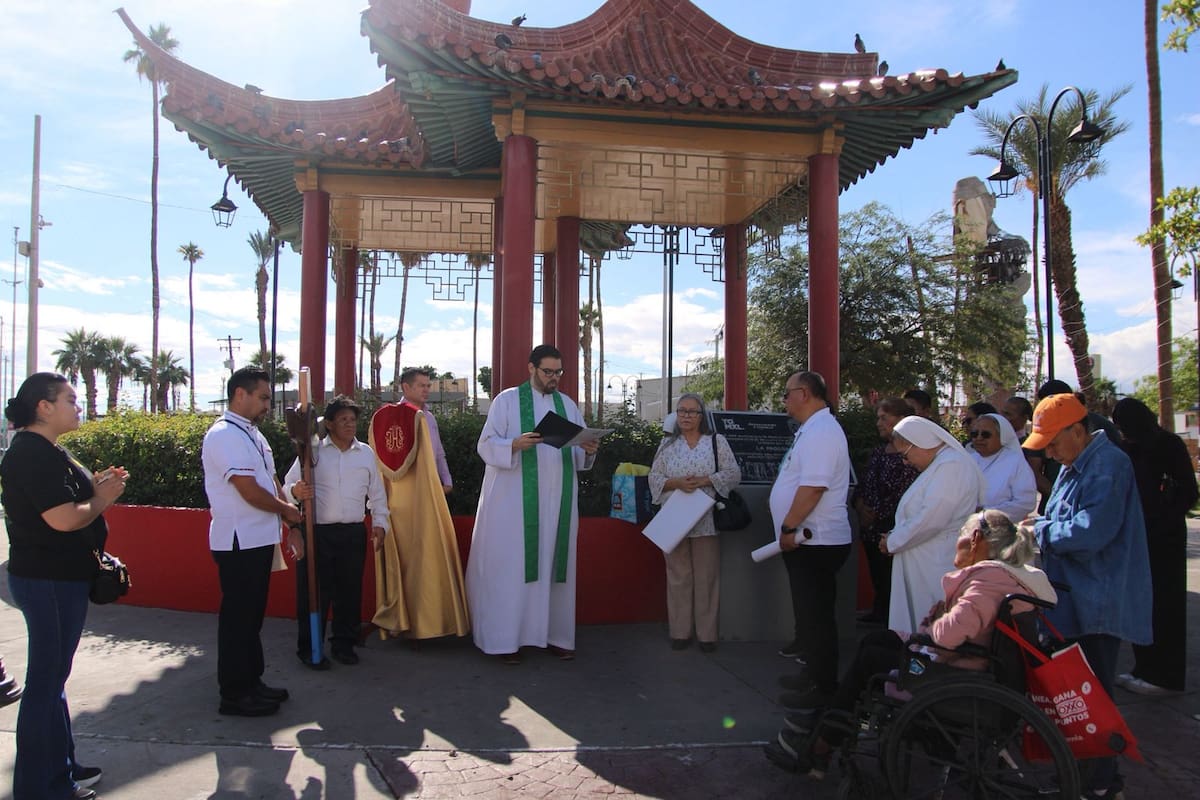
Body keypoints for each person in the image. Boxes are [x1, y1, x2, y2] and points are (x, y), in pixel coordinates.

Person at [766, 510, 1056, 776]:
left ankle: (823, 741)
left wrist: (936, 618)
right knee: (879, 640)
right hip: (965, 666)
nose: (957, 543)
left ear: (976, 539)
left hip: (948, 675)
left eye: (961, 536)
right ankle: (832, 723)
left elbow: (946, 636)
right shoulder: (1007, 577)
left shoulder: (986, 582)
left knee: (873, 660)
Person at [1, 373, 125, 799]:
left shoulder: (47, 450)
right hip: (46, 579)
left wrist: (98, 488)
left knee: (54, 678)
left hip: (59, 578)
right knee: (45, 682)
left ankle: (62, 767)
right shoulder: (31, 454)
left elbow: (73, 502)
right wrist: (102, 499)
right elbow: (64, 519)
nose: (78, 405)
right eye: (70, 399)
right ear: (43, 406)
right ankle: (42, 786)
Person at [1025, 392, 1151, 800]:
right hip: (1073, 596)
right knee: (1076, 695)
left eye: (1054, 443)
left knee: (1093, 697)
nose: (1051, 453)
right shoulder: (1073, 462)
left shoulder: (1109, 463)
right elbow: (1058, 516)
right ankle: (1083, 775)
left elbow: (1091, 531)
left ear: (1078, 430)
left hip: (1097, 597)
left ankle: (1100, 782)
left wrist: (1039, 530)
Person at [466, 345, 600, 664]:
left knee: (554, 566)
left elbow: (578, 455)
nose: (554, 378)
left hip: (556, 506)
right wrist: (513, 444)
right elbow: (485, 445)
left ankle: (555, 636)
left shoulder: (567, 405)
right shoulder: (507, 400)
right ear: (531, 368)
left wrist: (590, 449)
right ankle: (505, 640)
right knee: (511, 569)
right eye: (548, 372)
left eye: (558, 372)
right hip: (513, 506)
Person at [202, 367, 303, 716]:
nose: (266, 406)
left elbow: (271, 481)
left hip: (258, 539)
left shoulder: (253, 436)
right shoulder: (224, 435)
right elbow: (248, 491)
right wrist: (289, 513)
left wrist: (286, 509)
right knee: (238, 619)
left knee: (251, 617)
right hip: (237, 541)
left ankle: (252, 681)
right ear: (239, 394)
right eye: (262, 398)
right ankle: (234, 693)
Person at [285, 395, 389, 668]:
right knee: (315, 594)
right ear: (328, 424)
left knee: (349, 592)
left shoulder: (365, 453)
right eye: (343, 419)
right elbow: (288, 486)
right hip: (318, 533)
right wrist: (296, 491)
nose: (349, 424)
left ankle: (344, 644)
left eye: (353, 419)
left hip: (353, 533)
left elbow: (377, 493)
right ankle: (309, 648)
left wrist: (380, 523)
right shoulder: (313, 452)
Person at [770, 371, 852, 706]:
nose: (784, 400)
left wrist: (789, 527)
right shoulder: (813, 429)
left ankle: (823, 688)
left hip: (814, 540)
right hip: (808, 540)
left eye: (787, 393)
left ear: (804, 393)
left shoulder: (822, 431)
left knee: (817, 617)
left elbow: (814, 487)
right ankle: (812, 675)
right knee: (809, 615)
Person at [1111, 397, 1198, 695]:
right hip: (1140, 535)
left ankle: (1165, 675)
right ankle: (1144, 668)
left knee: (1165, 605)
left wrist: (1160, 516)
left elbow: (1187, 490)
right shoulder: (1130, 448)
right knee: (1140, 604)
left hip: (1163, 539)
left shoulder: (1167, 444)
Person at [648, 393, 741, 651]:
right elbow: (654, 477)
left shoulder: (716, 442)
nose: (686, 416)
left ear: (702, 416)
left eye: (692, 411)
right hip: (674, 518)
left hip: (705, 519)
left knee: (707, 576)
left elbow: (733, 474)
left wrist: (704, 480)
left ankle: (707, 635)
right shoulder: (667, 444)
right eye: (681, 411)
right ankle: (680, 632)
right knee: (677, 575)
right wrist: (677, 483)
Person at [880, 416, 985, 635]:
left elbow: (931, 518)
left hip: (936, 560)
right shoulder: (942, 464)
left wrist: (893, 541)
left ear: (920, 443)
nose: (906, 462)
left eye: (905, 455)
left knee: (930, 624)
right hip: (926, 558)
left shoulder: (951, 466)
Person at [852, 397, 918, 625]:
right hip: (870, 529)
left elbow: (904, 492)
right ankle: (879, 612)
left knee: (893, 580)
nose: (879, 423)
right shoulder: (879, 452)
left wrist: (876, 514)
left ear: (902, 420)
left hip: (892, 529)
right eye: (877, 418)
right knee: (878, 577)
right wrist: (860, 506)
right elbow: (864, 482)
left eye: (884, 418)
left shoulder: (912, 455)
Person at [968, 413, 1037, 523]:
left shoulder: (1015, 462)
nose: (979, 438)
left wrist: (986, 513)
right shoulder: (968, 460)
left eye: (985, 434)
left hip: (1000, 531)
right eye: (975, 434)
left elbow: (1026, 502)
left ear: (1002, 436)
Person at [398, 368, 453, 493]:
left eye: (428, 386)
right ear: (406, 387)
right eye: (421, 385)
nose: (426, 390)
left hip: (430, 485)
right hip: (403, 487)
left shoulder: (429, 418)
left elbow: (439, 453)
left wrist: (447, 481)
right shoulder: (393, 416)